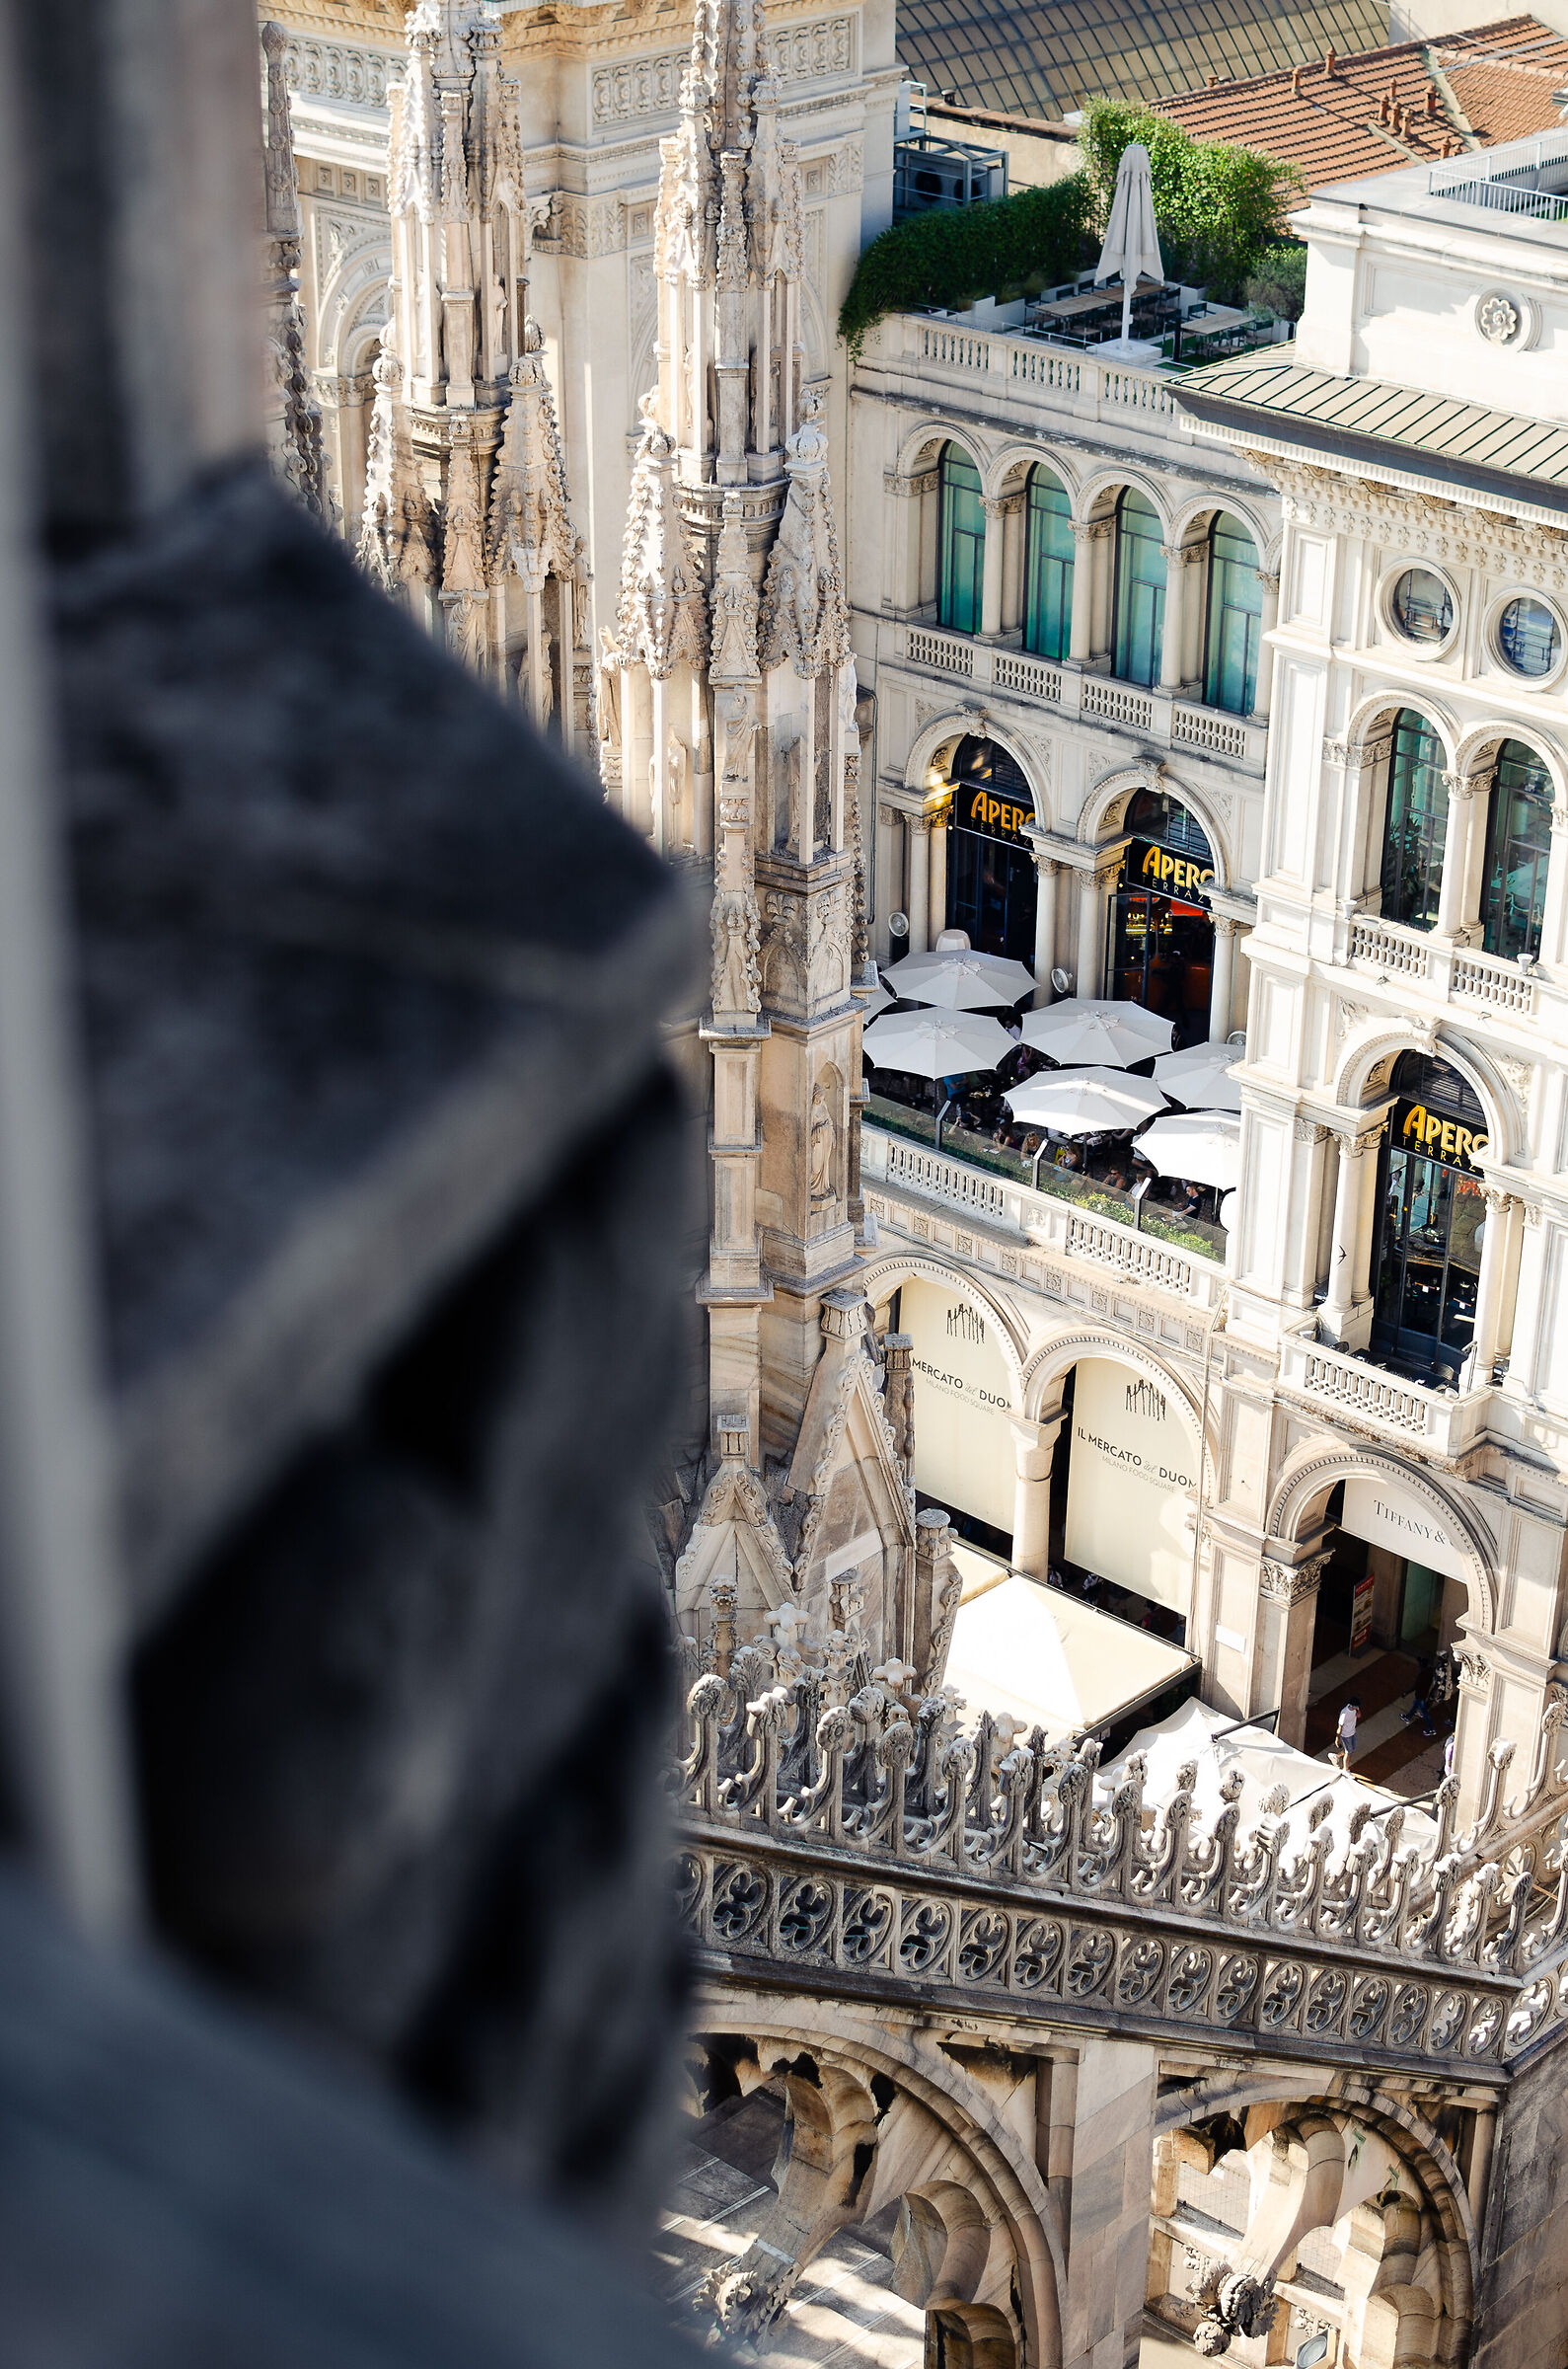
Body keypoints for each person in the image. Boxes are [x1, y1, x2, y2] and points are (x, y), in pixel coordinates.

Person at [1401, 1655, 1438, 1738]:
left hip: (1420, 1695)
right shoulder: (1429, 1673)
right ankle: (1408, 1717)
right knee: (1415, 1706)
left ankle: (1431, 1729)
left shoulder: (1422, 1675)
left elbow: (1415, 1686)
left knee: (1424, 1712)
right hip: (1423, 1694)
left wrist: (1406, 1693)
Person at [1331, 1696, 1361, 1771]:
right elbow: (1339, 1728)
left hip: (1352, 1732)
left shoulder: (1355, 1709)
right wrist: (1337, 1739)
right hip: (1345, 1735)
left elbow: (1359, 1715)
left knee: (1352, 1749)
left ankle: (1336, 1757)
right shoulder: (1344, 1714)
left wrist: (1358, 1712)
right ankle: (1345, 1769)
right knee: (1349, 1752)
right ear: (1352, 1705)